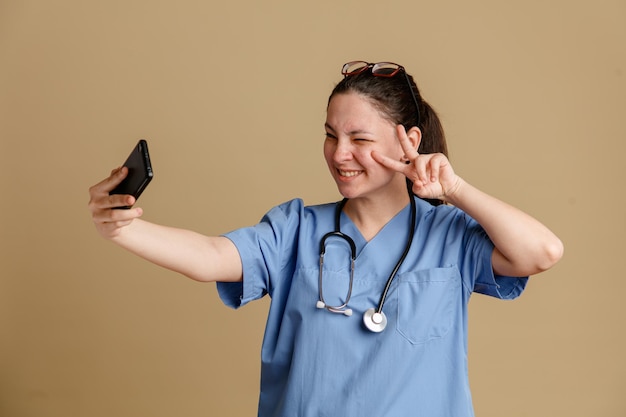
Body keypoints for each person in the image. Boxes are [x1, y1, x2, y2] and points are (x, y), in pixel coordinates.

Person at [88, 61, 563, 416]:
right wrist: (125, 228)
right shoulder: (297, 230)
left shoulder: (451, 236)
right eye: (331, 135)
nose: (340, 154)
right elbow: (212, 256)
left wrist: (454, 190)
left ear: (409, 142)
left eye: (360, 138)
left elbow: (543, 252)